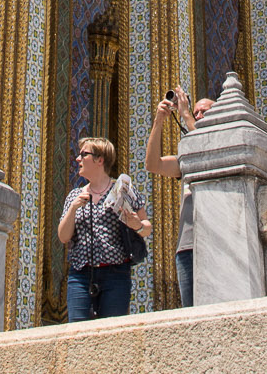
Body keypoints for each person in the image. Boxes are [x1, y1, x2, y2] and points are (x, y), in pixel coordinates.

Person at [57, 136, 149, 321]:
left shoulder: (122, 190)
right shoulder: (75, 195)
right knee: (78, 331)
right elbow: (63, 236)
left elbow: (146, 227)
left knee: (112, 334)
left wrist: (136, 225)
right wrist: (74, 209)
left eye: (84, 154)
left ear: (100, 160)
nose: (78, 159)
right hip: (81, 274)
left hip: (115, 274)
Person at [145, 87, 217, 307]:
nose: (198, 116)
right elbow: (153, 164)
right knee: (191, 310)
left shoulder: (221, 149)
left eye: (204, 112)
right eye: (196, 113)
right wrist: (158, 121)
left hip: (217, 243)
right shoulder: (187, 162)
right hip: (187, 247)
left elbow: (207, 150)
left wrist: (185, 115)